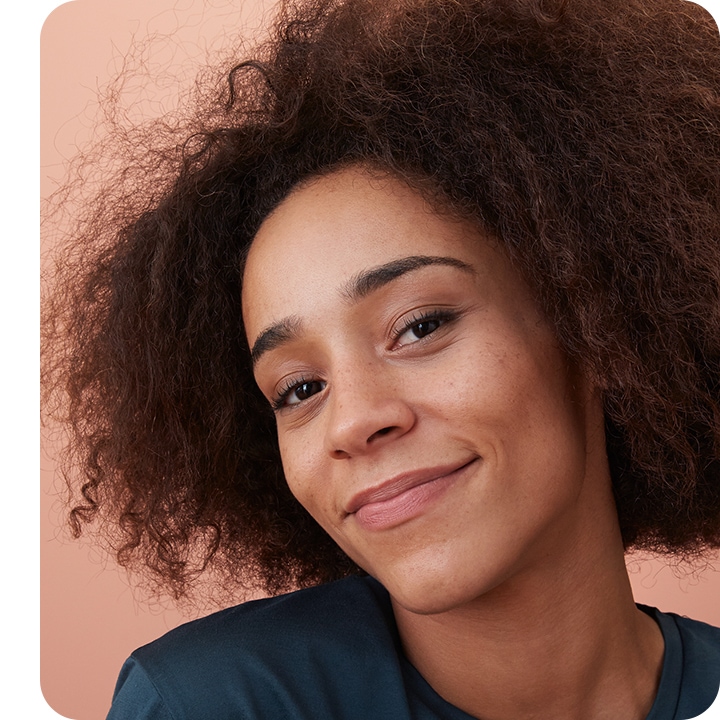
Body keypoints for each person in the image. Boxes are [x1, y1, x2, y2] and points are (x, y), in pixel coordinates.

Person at [41, 0, 720, 717]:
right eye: (299, 389)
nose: (352, 421)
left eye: (421, 325)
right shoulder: (211, 701)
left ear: (598, 325)